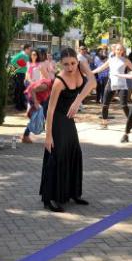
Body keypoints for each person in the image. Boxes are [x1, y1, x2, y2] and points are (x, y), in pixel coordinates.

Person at [40, 48, 96, 213]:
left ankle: (73, 192)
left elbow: (93, 82)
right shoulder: (59, 81)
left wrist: (78, 100)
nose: (70, 67)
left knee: (74, 150)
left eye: (72, 63)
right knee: (57, 153)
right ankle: (49, 198)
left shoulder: (81, 65)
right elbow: (50, 110)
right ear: (61, 64)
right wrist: (48, 135)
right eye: (66, 64)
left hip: (68, 116)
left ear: (77, 61)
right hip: (56, 116)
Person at [92, 44, 132, 128]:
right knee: (105, 104)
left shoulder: (125, 60)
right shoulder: (110, 60)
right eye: (117, 49)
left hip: (122, 84)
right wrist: (91, 72)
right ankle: (104, 123)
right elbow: (101, 68)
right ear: (114, 50)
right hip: (111, 84)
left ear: (123, 51)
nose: (119, 51)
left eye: (121, 50)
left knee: (124, 105)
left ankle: (130, 124)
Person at [22, 48, 53, 144]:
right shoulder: (29, 64)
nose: (34, 56)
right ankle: (25, 135)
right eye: (33, 54)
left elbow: (45, 76)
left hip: (38, 91)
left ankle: (47, 135)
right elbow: (31, 86)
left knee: (42, 114)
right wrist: (35, 102)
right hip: (33, 92)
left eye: (36, 54)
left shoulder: (41, 65)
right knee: (36, 115)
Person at [10, 44, 31, 111]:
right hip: (19, 74)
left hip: (25, 74)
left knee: (23, 90)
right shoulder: (20, 55)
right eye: (29, 49)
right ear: (26, 49)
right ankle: (17, 105)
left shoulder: (27, 56)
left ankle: (22, 104)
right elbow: (12, 61)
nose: (30, 50)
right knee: (19, 89)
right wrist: (19, 66)